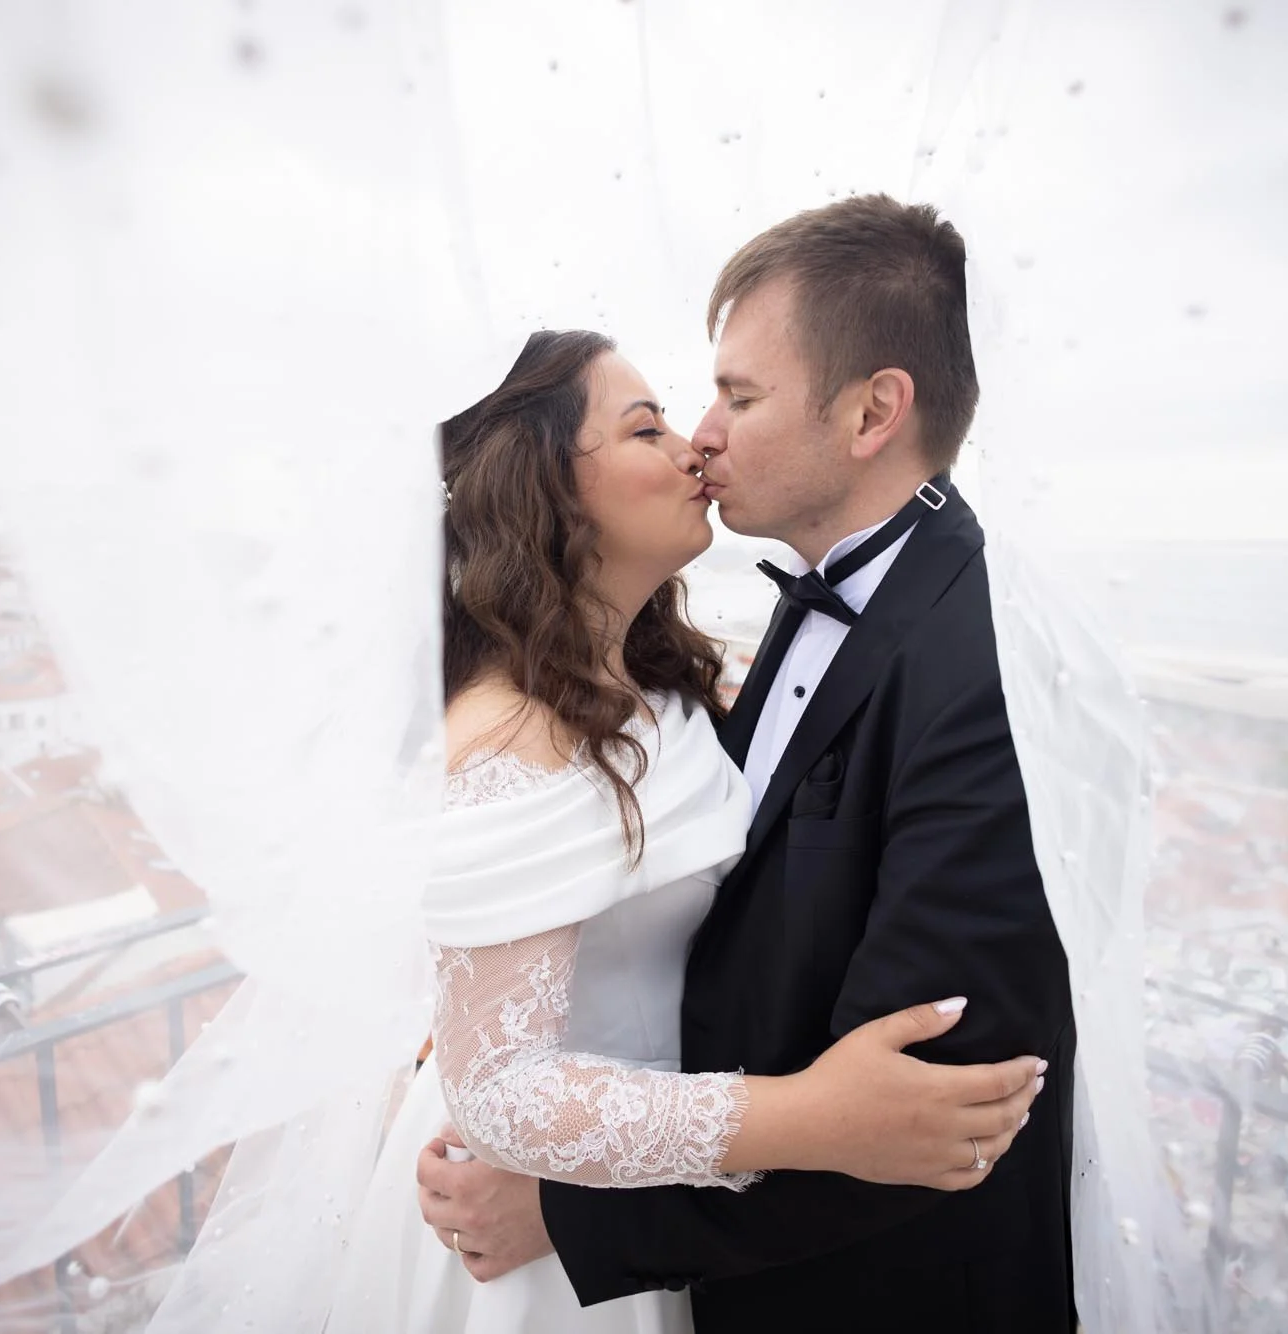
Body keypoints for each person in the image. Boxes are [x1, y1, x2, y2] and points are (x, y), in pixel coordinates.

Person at [415, 196, 1079, 1332]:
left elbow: (927, 1098)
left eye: (737, 394)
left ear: (873, 412)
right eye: (669, 413)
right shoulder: (802, 609)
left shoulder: (985, 658)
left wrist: (572, 1217)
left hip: (873, 1293)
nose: (701, 437)